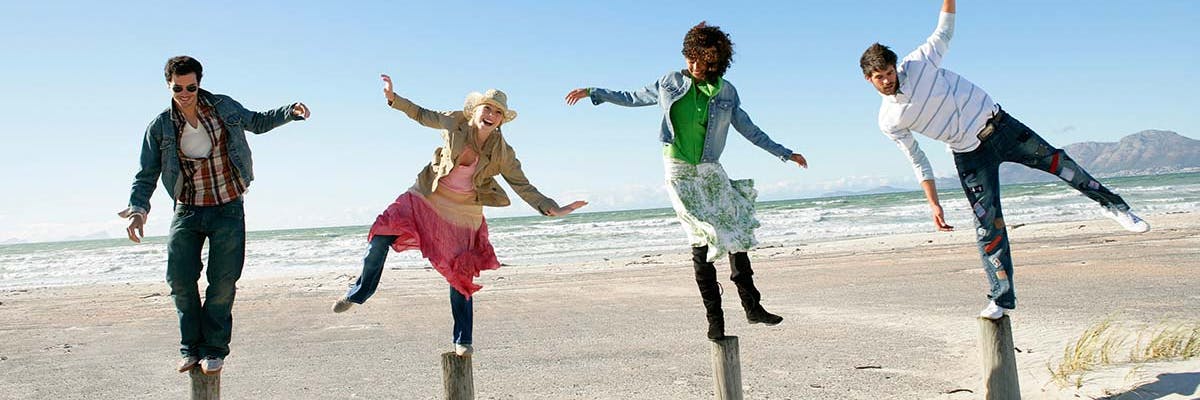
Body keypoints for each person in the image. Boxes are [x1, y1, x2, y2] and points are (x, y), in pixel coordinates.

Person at [859, 0, 1150, 319]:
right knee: (988, 225)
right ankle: (1001, 298)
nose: (886, 80)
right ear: (868, 80)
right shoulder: (889, 119)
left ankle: (1117, 208)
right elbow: (917, 159)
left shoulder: (919, 63)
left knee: (1059, 163)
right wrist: (934, 203)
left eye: (888, 72)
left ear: (895, 67)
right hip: (969, 155)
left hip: (1002, 127)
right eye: (878, 76)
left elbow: (945, 30)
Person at [565, 22, 808, 340]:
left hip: (710, 168)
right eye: (690, 58)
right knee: (701, 237)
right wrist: (594, 92)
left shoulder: (726, 92)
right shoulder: (670, 81)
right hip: (679, 169)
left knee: (735, 231)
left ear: (716, 61)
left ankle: (752, 306)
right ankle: (715, 320)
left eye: (702, 60)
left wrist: (784, 153)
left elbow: (749, 129)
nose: (693, 66)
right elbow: (633, 96)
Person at [332, 74, 587, 356]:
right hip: (425, 196)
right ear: (475, 110)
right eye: (487, 108)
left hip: (463, 212)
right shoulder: (454, 122)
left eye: (497, 112)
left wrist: (552, 207)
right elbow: (421, 114)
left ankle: (463, 339)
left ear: (502, 120)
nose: (491, 115)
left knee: (460, 273)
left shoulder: (503, 152)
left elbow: (523, 185)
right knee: (380, 236)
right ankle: (359, 292)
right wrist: (393, 98)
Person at [119, 56, 310, 375]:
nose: (184, 93)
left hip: (228, 206)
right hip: (188, 209)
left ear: (199, 83)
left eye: (190, 87)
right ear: (169, 85)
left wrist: (289, 112)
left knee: (222, 282)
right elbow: (146, 172)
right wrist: (138, 209)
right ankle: (190, 347)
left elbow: (257, 122)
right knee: (179, 280)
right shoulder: (161, 126)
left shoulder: (223, 107)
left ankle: (214, 348)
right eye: (178, 88)